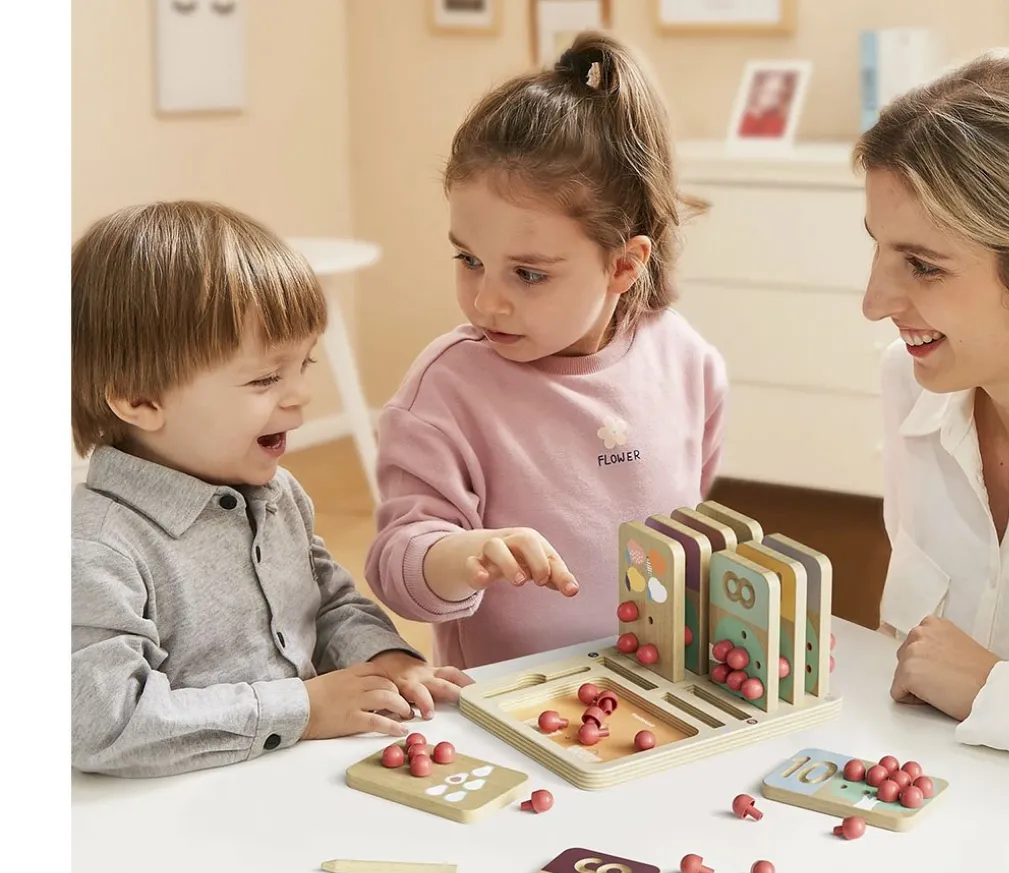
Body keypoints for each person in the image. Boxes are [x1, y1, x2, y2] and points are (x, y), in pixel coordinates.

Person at [365, 32, 728, 669]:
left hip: (661, 684)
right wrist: (457, 557)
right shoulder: (444, 392)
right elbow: (398, 567)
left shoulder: (688, 361)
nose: (487, 303)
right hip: (511, 715)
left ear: (623, 264)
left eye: (528, 274)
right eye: (470, 260)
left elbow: (691, 530)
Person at [72, 201, 469, 779]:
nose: (300, 395)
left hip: (293, 779)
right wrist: (302, 709)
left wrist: (383, 657)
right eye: (264, 378)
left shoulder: (278, 494)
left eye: (302, 365)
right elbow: (104, 724)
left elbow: (327, 603)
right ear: (139, 400)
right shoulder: (96, 549)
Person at [859, 50, 1009, 779]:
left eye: (923, 265)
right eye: (880, 250)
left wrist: (995, 688)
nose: (874, 301)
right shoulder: (912, 383)